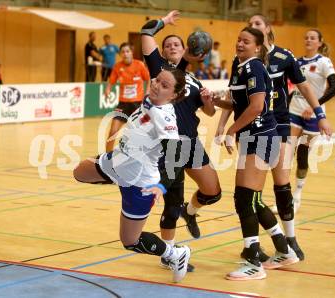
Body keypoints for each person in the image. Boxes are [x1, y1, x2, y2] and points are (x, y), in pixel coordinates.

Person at [73, 68, 191, 283]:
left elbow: (175, 158)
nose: (156, 85)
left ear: (174, 95)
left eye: (165, 86)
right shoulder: (149, 98)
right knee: (79, 172)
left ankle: (175, 254)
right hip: (116, 162)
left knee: (130, 241)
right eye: (157, 80)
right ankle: (116, 178)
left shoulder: (164, 117)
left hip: (139, 183)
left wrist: (161, 187)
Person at [213, 27, 299, 281]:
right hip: (255, 138)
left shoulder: (254, 68)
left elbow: (257, 107)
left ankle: (253, 263)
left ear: (258, 47)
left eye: (246, 41)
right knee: (252, 199)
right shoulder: (241, 67)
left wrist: (231, 130)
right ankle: (283, 250)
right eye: (238, 39)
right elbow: (240, 105)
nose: (239, 43)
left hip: (261, 138)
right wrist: (217, 102)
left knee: (245, 199)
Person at [140, 10, 222, 270]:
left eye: (176, 44)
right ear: (163, 52)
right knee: (171, 204)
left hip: (192, 143)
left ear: (185, 47)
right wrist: (164, 22)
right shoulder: (160, 70)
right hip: (168, 146)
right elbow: (146, 31)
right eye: (168, 45)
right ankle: (169, 255)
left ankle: (192, 211)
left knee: (213, 192)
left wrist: (209, 102)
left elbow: (208, 112)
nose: (172, 46)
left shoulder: (195, 80)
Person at [289, 29, 335, 212]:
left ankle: (297, 196)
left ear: (319, 42)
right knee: (286, 154)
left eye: (312, 38)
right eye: (306, 38)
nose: (308, 40)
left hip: (314, 115)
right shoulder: (297, 62)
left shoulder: (324, 62)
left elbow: (333, 88)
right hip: (294, 111)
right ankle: (284, 198)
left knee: (302, 156)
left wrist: (315, 106)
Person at [104, 42, 151, 152]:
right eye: (123, 52)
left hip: (138, 104)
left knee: (142, 133)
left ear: (132, 53)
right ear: (120, 54)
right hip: (123, 105)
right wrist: (107, 90)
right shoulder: (117, 66)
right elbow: (111, 81)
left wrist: (147, 93)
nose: (125, 54)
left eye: (127, 51)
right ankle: (107, 157)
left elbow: (149, 79)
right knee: (112, 132)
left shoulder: (139, 65)